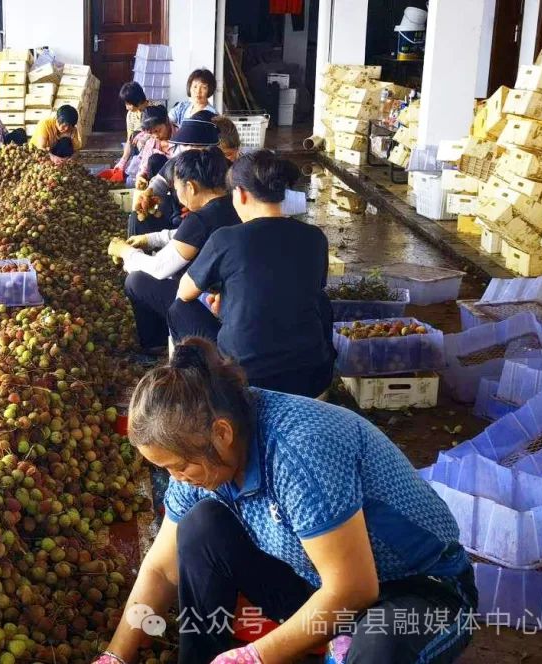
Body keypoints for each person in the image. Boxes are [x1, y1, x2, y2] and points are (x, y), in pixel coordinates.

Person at [93, 337, 476, 664]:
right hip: (317, 581)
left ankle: (343, 643)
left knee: (377, 650)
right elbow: (160, 571)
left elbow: (355, 589)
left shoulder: (300, 450)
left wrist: (256, 655)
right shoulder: (203, 453)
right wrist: (115, 655)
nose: (175, 479)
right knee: (201, 525)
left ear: (221, 433)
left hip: (418, 590)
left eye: (178, 467)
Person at [168, 150, 335, 397]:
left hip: (246, 377)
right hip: (312, 376)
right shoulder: (314, 237)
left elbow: (185, 291)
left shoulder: (226, 238)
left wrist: (224, 300)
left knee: (178, 308)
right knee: (319, 300)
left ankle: (202, 389)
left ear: (241, 194)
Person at [107, 149, 238, 356]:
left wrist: (126, 252)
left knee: (136, 281)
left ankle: (154, 345)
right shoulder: (233, 204)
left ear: (191, 187)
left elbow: (159, 268)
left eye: (176, 189)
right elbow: (184, 236)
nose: (176, 195)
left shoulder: (201, 219)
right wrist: (150, 239)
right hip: (232, 305)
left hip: (214, 317)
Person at [128, 117, 221, 237]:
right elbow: (160, 183)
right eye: (184, 145)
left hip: (204, 221)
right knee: (136, 219)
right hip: (175, 214)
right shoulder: (178, 162)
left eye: (191, 146)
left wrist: (197, 208)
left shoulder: (220, 169)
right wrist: (146, 197)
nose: (187, 149)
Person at [134, 105, 176, 180]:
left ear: (166, 121)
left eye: (158, 131)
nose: (155, 136)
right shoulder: (151, 141)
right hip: (159, 183)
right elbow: (144, 166)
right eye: (151, 133)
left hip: (178, 179)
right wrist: (141, 176)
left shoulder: (181, 136)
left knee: (156, 159)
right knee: (153, 160)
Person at [114, 81, 149, 171]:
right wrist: (123, 161)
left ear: (138, 101)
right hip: (138, 151)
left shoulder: (155, 110)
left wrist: (143, 135)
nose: (126, 108)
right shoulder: (130, 115)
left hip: (153, 151)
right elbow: (129, 140)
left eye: (129, 104)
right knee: (133, 135)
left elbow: (161, 134)